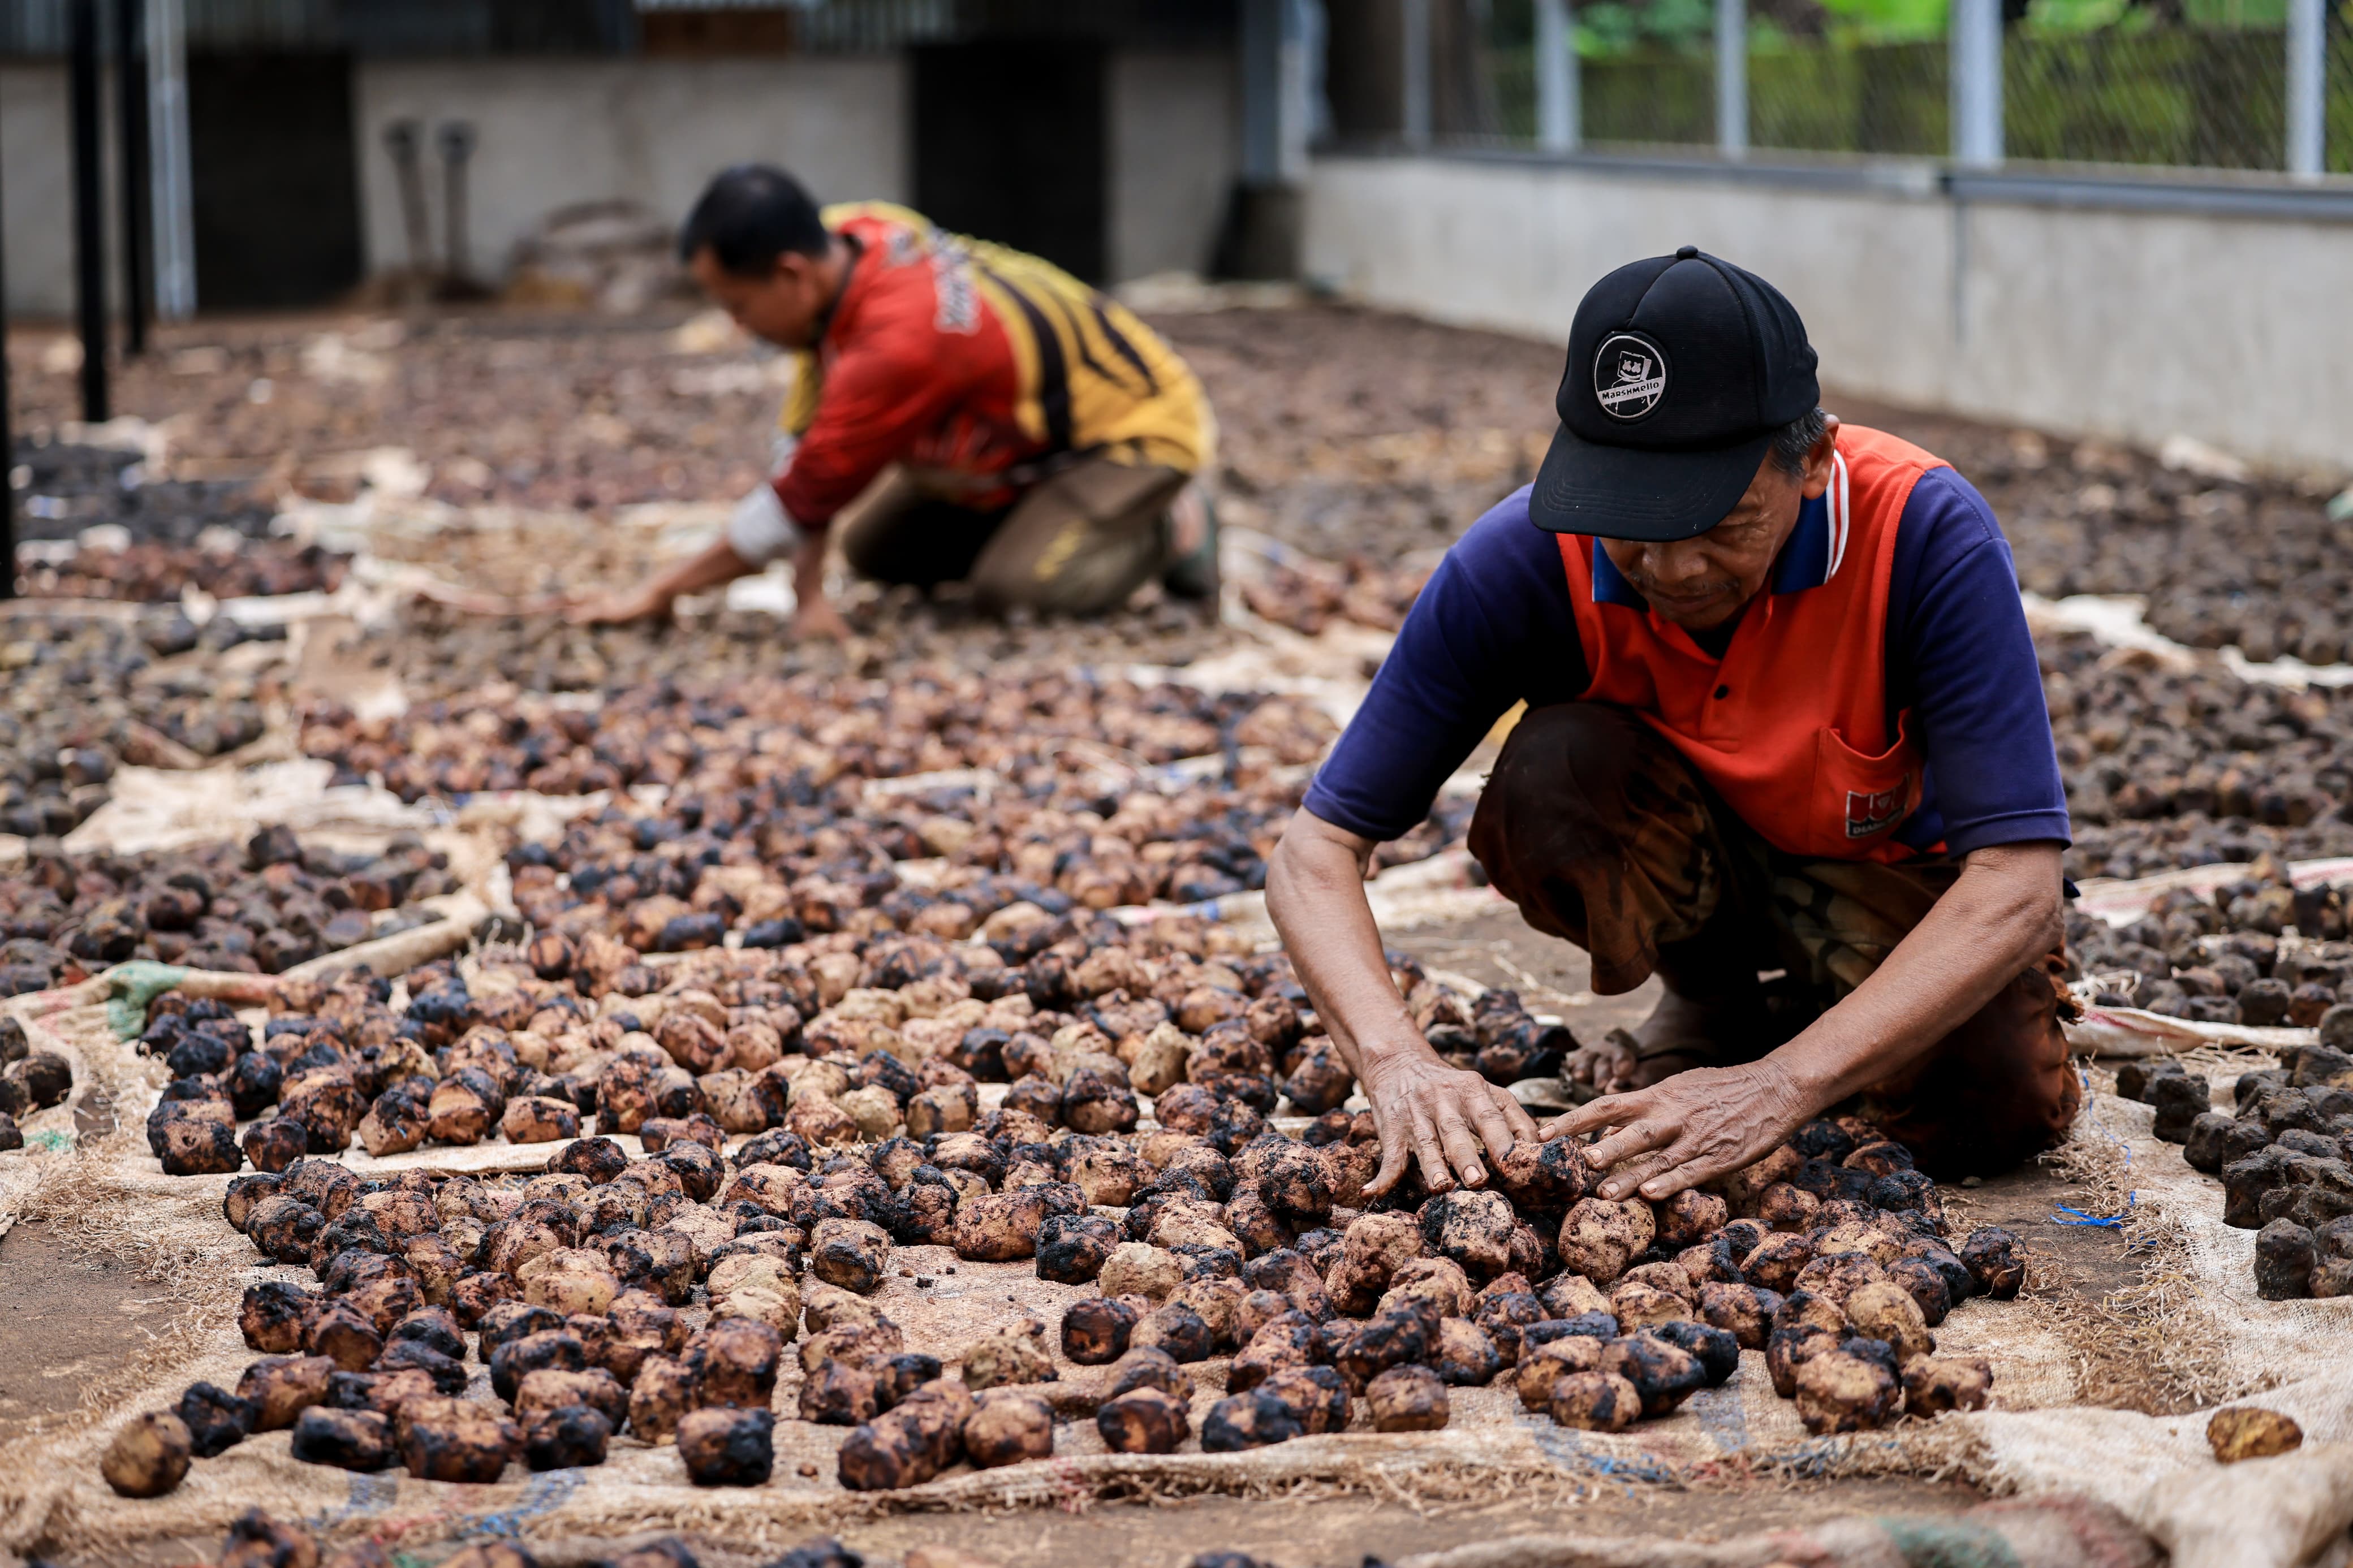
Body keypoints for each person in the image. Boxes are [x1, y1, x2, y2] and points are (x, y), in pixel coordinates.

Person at [1265, 247, 2078, 1206]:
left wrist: (1781, 1086)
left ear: (1814, 461)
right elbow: (1313, 854)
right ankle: (1712, 1000)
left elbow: (2018, 882)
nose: (1676, 569)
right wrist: (1398, 1063)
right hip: (1693, 857)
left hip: (1887, 879)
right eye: (1635, 525)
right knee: (1557, 775)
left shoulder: (1923, 533)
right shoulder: (1522, 558)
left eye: (1724, 524)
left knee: (1995, 1104)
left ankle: (1805, 1023)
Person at [571, 165, 1219, 634]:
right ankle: (1037, 522)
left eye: (738, 305)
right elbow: (809, 451)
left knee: (1015, 592)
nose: (738, 326)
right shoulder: (847, 236)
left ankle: (1171, 524)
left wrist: (661, 590)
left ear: (791, 275)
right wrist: (807, 594)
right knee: (876, 554)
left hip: (1130, 433)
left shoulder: (901, 343)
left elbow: (802, 495)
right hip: (1020, 443)